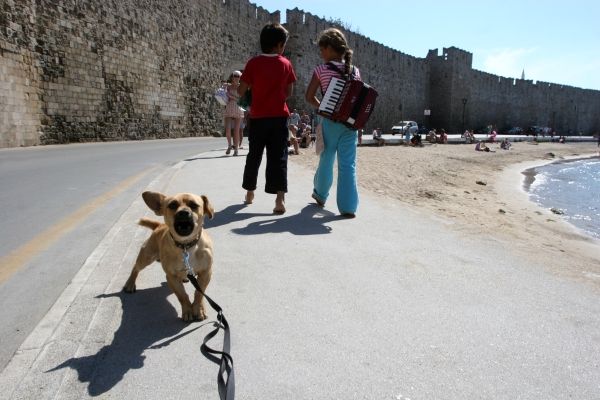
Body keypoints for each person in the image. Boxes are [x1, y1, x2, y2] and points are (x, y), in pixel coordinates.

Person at [238, 23, 297, 214]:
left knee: (254, 155)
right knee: (279, 157)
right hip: (279, 118)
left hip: (258, 118)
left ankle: (249, 193)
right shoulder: (286, 64)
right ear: (279, 45)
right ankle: (279, 201)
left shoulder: (253, 63)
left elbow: (241, 90)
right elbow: (288, 92)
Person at [305, 27, 360, 218]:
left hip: (329, 122)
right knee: (348, 165)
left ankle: (320, 195)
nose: (321, 54)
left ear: (329, 48)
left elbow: (309, 96)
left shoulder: (322, 70)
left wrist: (324, 107)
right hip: (350, 125)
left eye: (322, 49)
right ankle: (348, 207)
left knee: (326, 159)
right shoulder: (354, 70)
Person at [223, 70, 245, 156]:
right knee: (228, 130)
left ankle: (236, 149)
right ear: (232, 77)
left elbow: (242, 99)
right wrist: (224, 88)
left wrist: (231, 96)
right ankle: (229, 146)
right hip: (229, 108)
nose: (236, 78)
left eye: (238, 76)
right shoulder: (228, 86)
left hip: (238, 109)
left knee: (236, 131)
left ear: (240, 78)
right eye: (234, 76)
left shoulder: (241, 87)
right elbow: (222, 93)